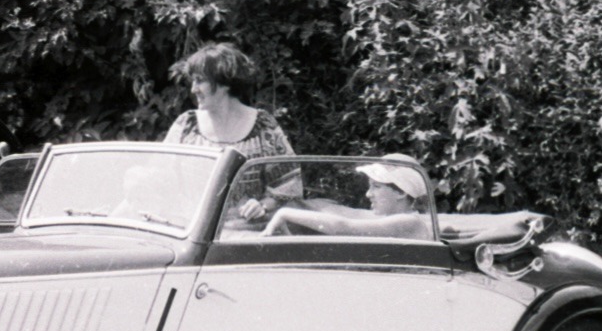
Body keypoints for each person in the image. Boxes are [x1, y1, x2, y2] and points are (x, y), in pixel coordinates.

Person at [162, 42, 294, 221]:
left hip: (248, 233)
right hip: (189, 232)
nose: (193, 89)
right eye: (193, 81)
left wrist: (262, 205)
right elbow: (158, 179)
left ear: (225, 82)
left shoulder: (263, 126)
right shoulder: (186, 125)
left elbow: (288, 185)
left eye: (200, 81)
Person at [262, 153, 433, 240]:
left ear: (401, 192)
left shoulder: (409, 222)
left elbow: (343, 227)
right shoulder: (394, 220)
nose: (368, 194)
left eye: (376, 187)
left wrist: (284, 213)